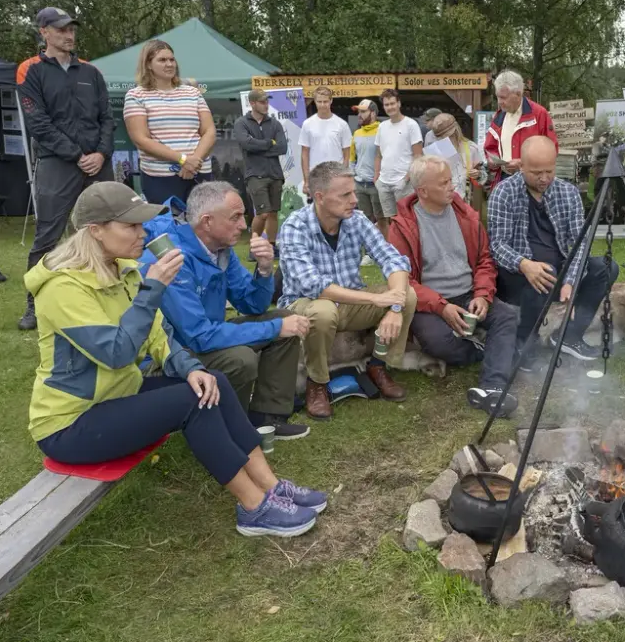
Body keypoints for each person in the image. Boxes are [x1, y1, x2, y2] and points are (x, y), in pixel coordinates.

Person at [25, 181, 326, 537]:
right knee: (192, 401)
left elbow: (158, 337)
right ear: (96, 232)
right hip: (71, 423)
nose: (143, 233)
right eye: (131, 226)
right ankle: (253, 508)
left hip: (118, 398)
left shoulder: (123, 269)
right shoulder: (64, 288)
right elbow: (117, 354)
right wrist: (153, 290)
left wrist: (193, 368)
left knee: (216, 383)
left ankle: (271, 486)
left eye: (142, 224)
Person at [138, 181, 312, 440]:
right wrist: (275, 328)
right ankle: (229, 428)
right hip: (171, 354)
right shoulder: (172, 258)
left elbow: (251, 304)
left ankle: (266, 417)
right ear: (207, 222)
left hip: (204, 338)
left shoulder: (220, 250)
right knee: (242, 358)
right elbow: (198, 335)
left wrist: (264, 271)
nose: (244, 225)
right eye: (236, 218)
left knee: (285, 319)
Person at [279, 162, 418, 419]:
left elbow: (393, 260)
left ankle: (379, 365)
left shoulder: (357, 219)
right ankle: (317, 382)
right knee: (323, 311)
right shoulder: (294, 226)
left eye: (353, 192)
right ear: (319, 197)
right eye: (345, 195)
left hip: (350, 303)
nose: (354, 200)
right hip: (305, 303)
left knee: (408, 294)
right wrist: (376, 299)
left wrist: (395, 306)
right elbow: (314, 286)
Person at [389, 156, 519, 415]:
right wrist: (442, 307)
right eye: (444, 182)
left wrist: (482, 294)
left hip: (469, 293)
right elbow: (405, 280)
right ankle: (489, 347)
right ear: (423, 191)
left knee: (506, 316)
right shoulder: (402, 227)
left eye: (451, 179)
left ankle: (493, 386)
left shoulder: (466, 215)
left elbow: (484, 259)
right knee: (439, 343)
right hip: (430, 303)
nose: (453, 186)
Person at [16, 7, 115, 331]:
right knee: (48, 236)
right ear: (44, 31)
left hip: (97, 163)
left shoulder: (91, 72)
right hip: (57, 163)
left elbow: (106, 118)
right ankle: (35, 304)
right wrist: (76, 154)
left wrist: (100, 153)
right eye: (60, 30)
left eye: (71, 29)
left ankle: (105, 295)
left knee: (106, 232)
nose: (69, 35)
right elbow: (38, 124)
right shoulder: (30, 71)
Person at [489, 136, 618, 366]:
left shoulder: (568, 193)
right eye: (537, 172)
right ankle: (524, 342)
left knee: (606, 268)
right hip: (518, 274)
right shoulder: (504, 193)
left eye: (549, 171)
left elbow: (580, 244)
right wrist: (525, 264)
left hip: (557, 270)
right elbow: (497, 245)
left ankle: (569, 336)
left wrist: (571, 281)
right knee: (540, 277)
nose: (544, 178)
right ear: (521, 166)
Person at [122, 39, 216, 205]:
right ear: (148, 64)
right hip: (160, 177)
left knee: (204, 226)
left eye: (172, 59)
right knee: (167, 227)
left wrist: (194, 160)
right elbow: (141, 140)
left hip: (199, 171)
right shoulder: (136, 96)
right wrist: (182, 160)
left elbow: (209, 131)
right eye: (162, 60)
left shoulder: (193, 93)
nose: (169, 64)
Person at [482, 70, 558, 189]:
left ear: (518, 94)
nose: (500, 102)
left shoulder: (539, 114)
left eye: (503, 97)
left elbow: (552, 150)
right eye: (498, 97)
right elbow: (490, 148)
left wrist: (523, 163)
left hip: (532, 183)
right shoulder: (498, 117)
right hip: (504, 179)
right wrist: (492, 161)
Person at [234, 89, 287, 246]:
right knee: (262, 213)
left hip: (275, 174)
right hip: (255, 175)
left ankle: (271, 245)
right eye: (262, 102)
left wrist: (258, 146)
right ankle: (254, 244)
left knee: (273, 213)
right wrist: (269, 143)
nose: (266, 105)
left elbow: (282, 148)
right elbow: (246, 144)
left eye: (267, 102)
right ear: (252, 103)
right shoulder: (241, 123)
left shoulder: (274, 123)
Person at [373, 88, 423, 221]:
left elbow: (418, 156)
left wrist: (406, 179)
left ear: (399, 103)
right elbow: (378, 154)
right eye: (386, 104)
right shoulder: (382, 126)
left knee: (408, 220)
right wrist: (376, 178)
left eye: (392, 103)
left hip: (404, 183)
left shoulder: (411, 125)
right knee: (391, 222)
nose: (390, 107)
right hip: (384, 182)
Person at [299, 86, 352, 199]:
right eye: (319, 101)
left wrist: (343, 177)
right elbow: (304, 153)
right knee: (316, 212)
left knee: (336, 211)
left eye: (325, 101)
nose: (323, 105)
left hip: (336, 177)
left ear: (331, 101)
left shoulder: (342, 124)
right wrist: (306, 180)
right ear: (315, 101)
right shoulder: (307, 124)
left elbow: (347, 155)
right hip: (316, 176)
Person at [428, 113, 486, 203]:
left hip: (463, 202)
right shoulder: (435, 150)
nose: (445, 139)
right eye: (441, 137)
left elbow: (484, 176)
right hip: (439, 202)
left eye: (448, 135)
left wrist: (478, 174)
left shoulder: (471, 148)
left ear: (456, 130)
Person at [350, 99, 387, 237]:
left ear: (373, 113)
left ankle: (386, 250)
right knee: (365, 221)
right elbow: (352, 159)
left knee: (383, 220)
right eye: (359, 111)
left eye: (363, 111)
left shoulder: (383, 130)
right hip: (360, 185)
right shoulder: (356, 134)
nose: (359, 114)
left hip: (377, 184)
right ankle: (368, 254)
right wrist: (353, 178)